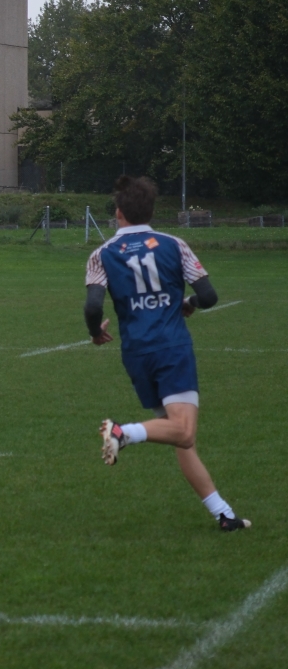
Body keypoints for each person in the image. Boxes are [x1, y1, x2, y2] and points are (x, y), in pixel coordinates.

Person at [86, 176, 247, 531]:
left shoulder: (102, 253)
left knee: (178, 436)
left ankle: (224, 515)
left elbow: (93, 306)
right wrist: (188, 302)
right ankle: (122, 432)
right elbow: (209, 297)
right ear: (151, 211)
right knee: (184, 433)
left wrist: (96, 333)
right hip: (171, 347)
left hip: (136, 353)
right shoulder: (174, 244)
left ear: (118, 213)